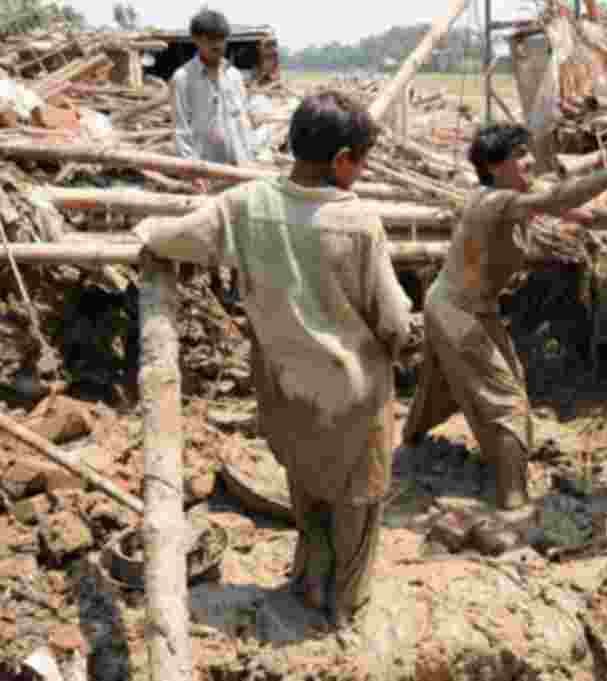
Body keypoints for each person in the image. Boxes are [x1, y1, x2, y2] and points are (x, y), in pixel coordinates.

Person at [132, 91, 413, 626]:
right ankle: (346, 605)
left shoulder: (247, 204)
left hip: (286, 387)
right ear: (341, 160)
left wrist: (145, 234)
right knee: (359, 499)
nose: (364, 171)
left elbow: (179, 237)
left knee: (307, 486)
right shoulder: (358, 223)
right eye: (363, 160)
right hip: (352, 391)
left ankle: (309, 583)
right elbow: (394, 319)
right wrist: (394, 350)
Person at [401, 123, 607, 519]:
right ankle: (513, 503)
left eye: (528, 152)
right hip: (456, 309)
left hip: (472, 308)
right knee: (506, 400)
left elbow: (586, 214)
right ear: (493, 165)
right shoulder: (491, 201)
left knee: (451, 380)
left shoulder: (520, 196)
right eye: (518, 155)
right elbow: (563, 195)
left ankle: (412, 443)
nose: (528, 161)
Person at [171, 8, 252, 304]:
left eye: (223, 41)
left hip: (238, 162)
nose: (219, 47)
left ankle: (240, 287)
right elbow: (181, 128)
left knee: (243, 226)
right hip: (206, 166)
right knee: (214, 227)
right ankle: (217, 285)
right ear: (197, 40)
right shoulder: (183, 79)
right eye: (212, 41)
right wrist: (192, 171)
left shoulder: (234, 75)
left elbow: (243, 119)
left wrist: (251, 157)